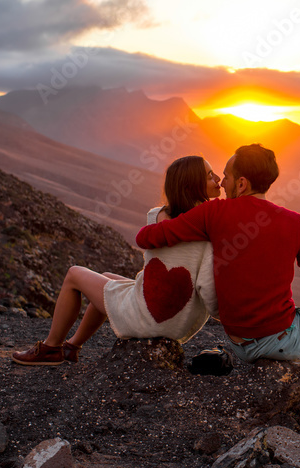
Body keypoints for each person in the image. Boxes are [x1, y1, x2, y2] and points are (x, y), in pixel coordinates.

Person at [135, 144, 300, 425]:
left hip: (239, 343)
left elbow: (146, 238)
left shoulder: (213, 214)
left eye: (226, 177)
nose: (222, 183)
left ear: (242, 183)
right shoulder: (297, 224)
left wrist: (163, 216)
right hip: (282, 341)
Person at [12, 156, 222, 365]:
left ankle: (50, 348)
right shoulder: (209, 232)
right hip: (177, 324)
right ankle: (71, 347)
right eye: (210, 176)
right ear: (192, 184)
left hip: (147, 318)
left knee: (74, 274)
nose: (217, 179)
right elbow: (208, 288)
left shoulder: (157, 218)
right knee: (106, 279)